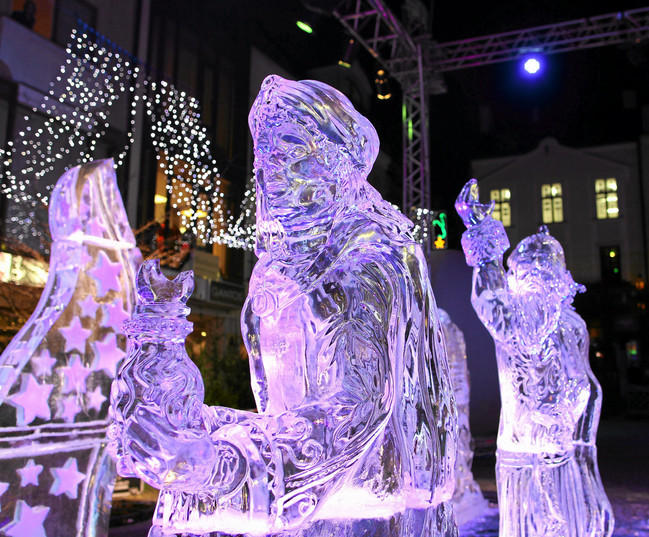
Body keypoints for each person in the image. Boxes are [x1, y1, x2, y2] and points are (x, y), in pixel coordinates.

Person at [110, 75, 458, 537]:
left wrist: (228, 466)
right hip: (314, 499)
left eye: (291, 152)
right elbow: (284, 417)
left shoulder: (369, 259)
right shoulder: (274, 273)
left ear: (339, 164)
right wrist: (190, 424)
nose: (272, 171)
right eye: (265, 156)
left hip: (371, 510)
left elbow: (355, 409)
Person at [456, 179, 612, 537]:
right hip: (536, 450)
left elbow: (586, 385)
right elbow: (589, 388)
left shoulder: (556, 319)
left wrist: (482, 234)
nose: (517, 280)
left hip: (543, 451)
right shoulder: (545, 319)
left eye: (520, 271)